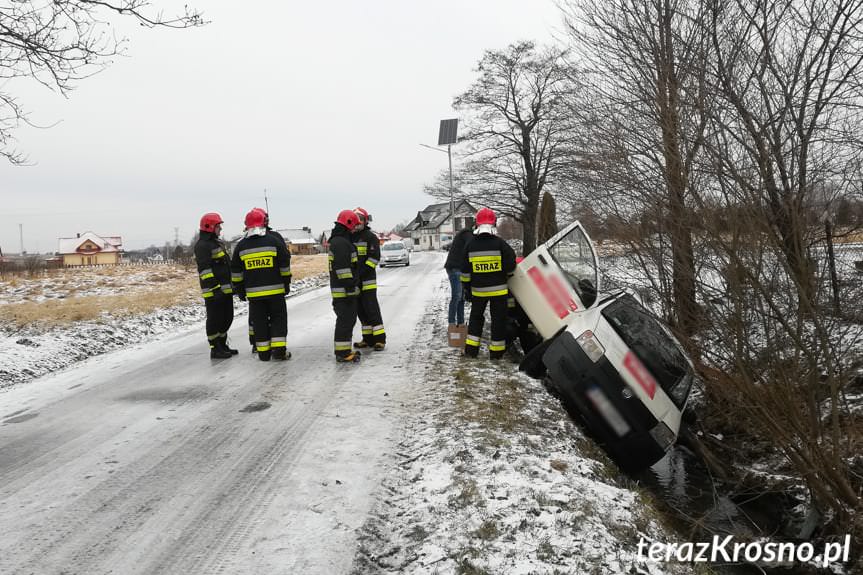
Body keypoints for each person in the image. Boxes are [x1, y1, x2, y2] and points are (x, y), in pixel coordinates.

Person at [230, 208, 292, 361]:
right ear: (264, 223)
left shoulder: (241, 246)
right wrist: (286, 283)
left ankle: (263, 353)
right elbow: (284, 265)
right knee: (278, 319)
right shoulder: (274, 241)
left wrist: (240, 291)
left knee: (259, 322)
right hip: (276, 292)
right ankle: (279, 351)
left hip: (254, 295)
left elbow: (236, 273)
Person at [461, 207, 517, 360]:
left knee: (476, 319)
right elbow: (511, 265)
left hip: (478, 291)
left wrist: (467, 289)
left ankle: (471, 351)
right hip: (499, 292)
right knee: (498, 321)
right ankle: (496, 354)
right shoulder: (500, 244)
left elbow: (465, 272)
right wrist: (504, 274)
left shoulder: (470, 245)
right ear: (494, 224)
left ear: (477, 224)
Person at [194, 212, 237, 359]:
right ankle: (215, 348)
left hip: (224, 290)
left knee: (227, 318)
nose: (220, 229)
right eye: (218, 226)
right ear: (210, 227)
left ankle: (223, 344)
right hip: (213, 291)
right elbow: (204, 270)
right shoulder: (202, 246)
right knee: (214, 319)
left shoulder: (216, 243)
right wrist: (215, 288)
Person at [329, 209, 362, 363]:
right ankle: (342, 353)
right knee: (345, 321)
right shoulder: (341, 244)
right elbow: (343, 269)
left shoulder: (339, 241)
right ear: (348, 224)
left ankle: (343, 350)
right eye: (354, 226)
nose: (355, 229)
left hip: (342, 290)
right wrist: (350, 289)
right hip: (344, 291)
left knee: (347, 320)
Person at [351, 207, 386, 351]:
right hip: (354, 281)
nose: (358, 221)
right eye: (355, 218)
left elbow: (373, 259)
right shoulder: (349, 237)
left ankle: (380, 339)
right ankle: (367, 339)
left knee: (371, 309)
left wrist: (360, 274)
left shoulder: (370, 237)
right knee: (361, 310)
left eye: (361, 218)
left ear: (366, 221)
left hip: (367, 280)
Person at [444, 223, 475, 327]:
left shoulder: (466, 234)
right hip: (455, 268)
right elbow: (471, 246)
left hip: (458, 268)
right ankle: (451, 323)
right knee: (456, 296)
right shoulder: (467, 234)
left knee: (461, 297)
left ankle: (461, 323)